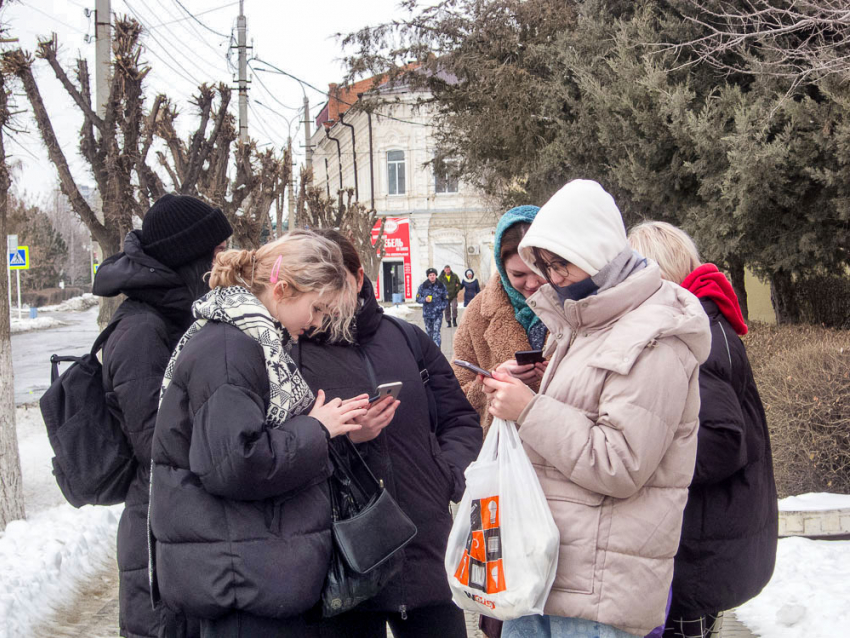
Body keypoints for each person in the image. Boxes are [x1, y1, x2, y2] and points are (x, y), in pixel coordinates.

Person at [480, 179, 711, 638]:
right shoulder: (581, 322)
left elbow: (620, 463)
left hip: (600, 597)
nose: (554, 277)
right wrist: (524, 393)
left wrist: (530, 409)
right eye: (543, 265)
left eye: (560, 262)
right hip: (546, 574)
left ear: (596, 249)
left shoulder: (656, 332)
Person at [149, 230, 370, 638]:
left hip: (245, 569)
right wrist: (316, 429)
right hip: (238, 580)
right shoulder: (232, 349)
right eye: (317, 308)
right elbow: (234, 462)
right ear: (283, 289)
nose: (316, 322)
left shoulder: (247, 339)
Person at [294, 229, 482, 638]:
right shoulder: (291, 353)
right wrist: (342, 439)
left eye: (333, 282)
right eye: (313, 285)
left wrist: (446, 474)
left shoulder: (406, 337)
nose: (323, 298)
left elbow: (460, 419)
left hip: (426, 556)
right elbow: (280, 448)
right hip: (343, 569)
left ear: (359, 278)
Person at [628, 221, 778, 638]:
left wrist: (643, 463)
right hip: (712, 542)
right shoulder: (704, 320)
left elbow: (724, 439)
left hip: (698, 553)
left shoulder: (696, 337)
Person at [93, 193, 232, 638]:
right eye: (217, 252)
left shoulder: (177, 317)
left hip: (182, 527)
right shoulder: (142, 330)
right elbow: (156, 441)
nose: (224, 260)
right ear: (191, 259)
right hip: (156, 540)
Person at [453, 205, 548, 438]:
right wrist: (492, 381)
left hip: (563, 451)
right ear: (503, 268)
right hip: (503, 454)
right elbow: (455, 398)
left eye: (539, 270)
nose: (532, 283)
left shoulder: (576, 305)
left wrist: (555, 375)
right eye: (518, 275)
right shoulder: (478, 314)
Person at [416, 267, 448, 346]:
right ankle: (430, 352)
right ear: (428, 276)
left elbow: (446, 299)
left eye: (433, 275)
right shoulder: (423, 286)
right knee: (429, 333)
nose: (432, 276)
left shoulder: (441, 286)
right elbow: (417, 298)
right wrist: (424, 299)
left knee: (436, 333)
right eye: (430, 275)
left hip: (437, 314)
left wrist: (441, 308)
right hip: (427, 314)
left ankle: (437, 351)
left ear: (436, 275)